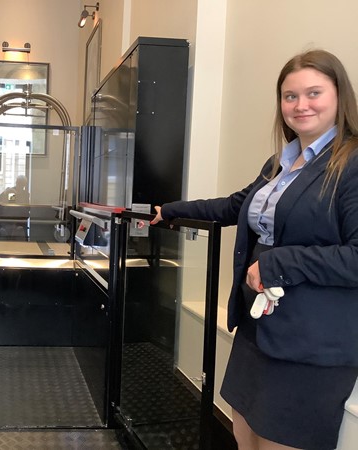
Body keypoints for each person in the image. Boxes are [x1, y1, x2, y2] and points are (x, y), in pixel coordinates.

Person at [151, 49, 358, 450]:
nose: (300, 105)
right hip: (257, 330)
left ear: (340, 96)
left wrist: (279, 262)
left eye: (313, 93)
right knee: (244, 436)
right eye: (289, 96)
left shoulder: (351, 163)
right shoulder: (281, 162)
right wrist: (169, 210)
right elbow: (234, 206)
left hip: (310, 345)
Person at [0, 175, 30, 240]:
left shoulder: (25, 194)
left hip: (19, 220)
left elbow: (26, 209)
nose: (20, 185)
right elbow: (8, 203)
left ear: (24, 184)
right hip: (8, 218)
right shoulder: (10, 191)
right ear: (16, 182)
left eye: (22, 183)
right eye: (19, 182)